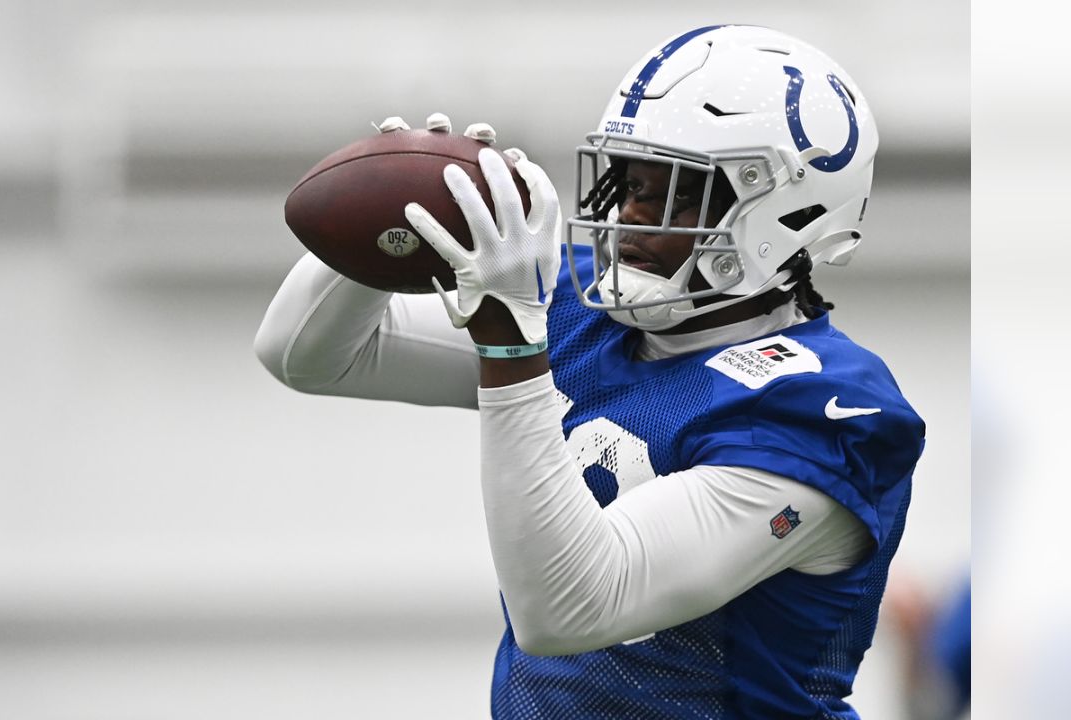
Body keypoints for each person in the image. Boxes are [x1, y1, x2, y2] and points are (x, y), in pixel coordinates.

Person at [255, 25, 925, 719]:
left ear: (787, 212)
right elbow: (306, 353)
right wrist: (392, 221)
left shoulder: (824, 407)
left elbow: (568, 609)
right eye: (631, 181)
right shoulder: (585, 310)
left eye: (678, 193)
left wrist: (511, 344)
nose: (631, 215)